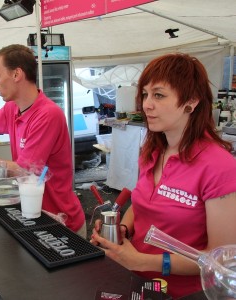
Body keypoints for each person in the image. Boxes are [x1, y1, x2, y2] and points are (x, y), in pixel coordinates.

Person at [91, 53, 236, 298]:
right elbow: (140, 202)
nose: (147, 104)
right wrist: (121, 228)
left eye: (159, 95)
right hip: (136, 283)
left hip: (185, 294)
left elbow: (220, 260)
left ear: (191, 102)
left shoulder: (219, 166)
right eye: (145, 94)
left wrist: (144, 261)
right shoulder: (152, 151)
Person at [0, 44, 86, 237]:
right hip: (33, 211)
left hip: (59, 220)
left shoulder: (47, 115)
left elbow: (25, 170)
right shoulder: (13, 108)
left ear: (17, 74)